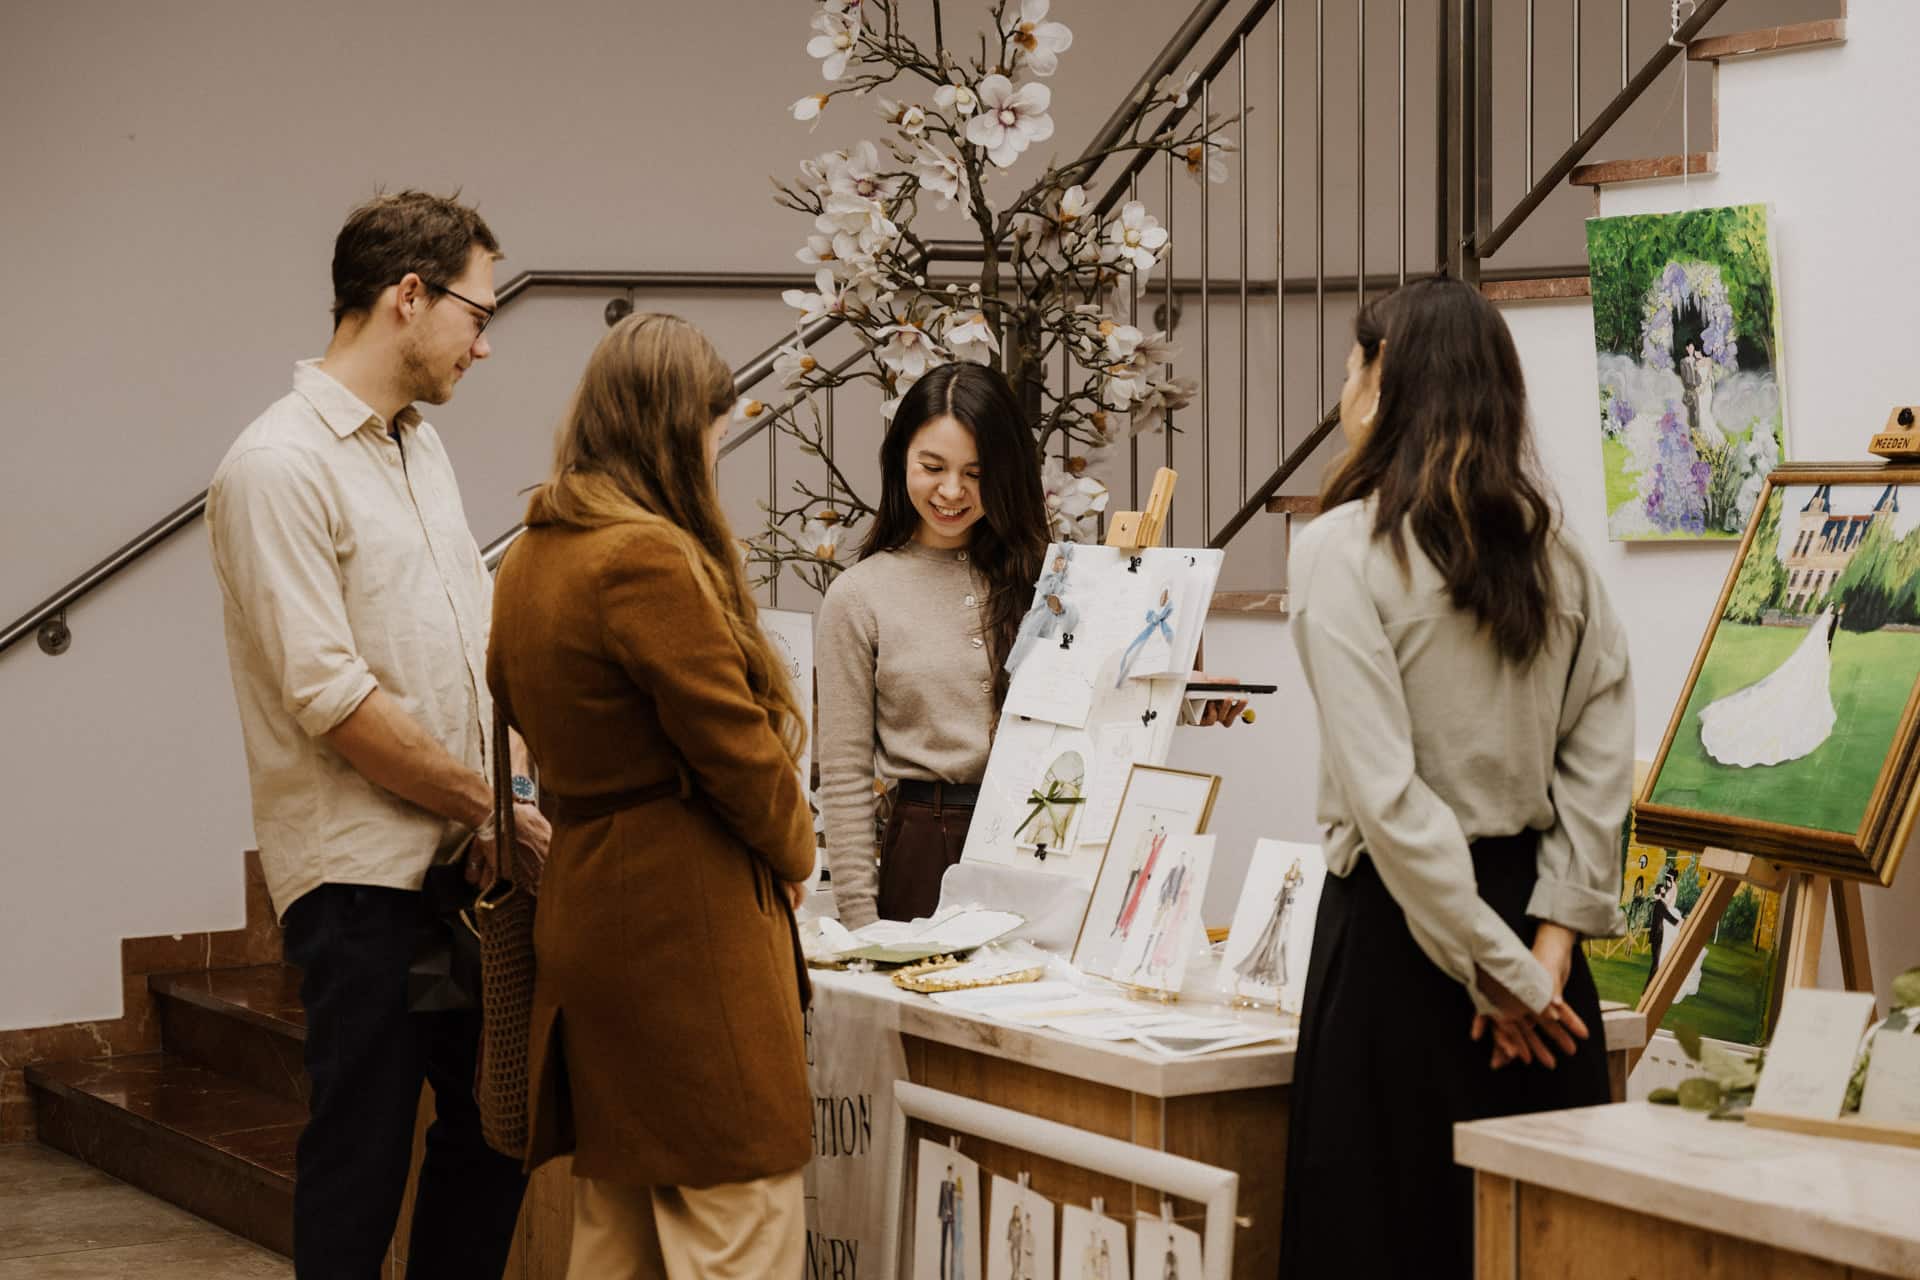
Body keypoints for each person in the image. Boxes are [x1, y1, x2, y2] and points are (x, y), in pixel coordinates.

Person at [207, 189, 543, 1278]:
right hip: (361, 885)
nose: (483, 343)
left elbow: (472, 642)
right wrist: (486, 802)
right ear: (410, 295)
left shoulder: (418, 448)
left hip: (465, 860)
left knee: (497, 1135)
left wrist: (507, 792)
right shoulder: (274, 466)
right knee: (357, 1164)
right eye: (477, 315)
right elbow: (335, 700)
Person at [1279, 278, 1634, 1279]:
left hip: (1403, 950)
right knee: (1533, 1248)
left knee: (1384, 1242)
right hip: (1537, 949)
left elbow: (1390, 805)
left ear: (1386, 383)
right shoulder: (1560, 556)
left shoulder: (1340, 550)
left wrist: (1510, 977)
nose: (1346, 384)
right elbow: (1599, 776)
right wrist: (1547, 952)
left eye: (1355, 364)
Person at [487, 313, 814, 1278]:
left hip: (590, 913)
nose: (718, 448)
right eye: (714, 426)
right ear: (675, 428)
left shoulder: (531, 555)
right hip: (686, 931)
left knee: (617, 1234)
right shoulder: (644, 557)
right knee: (739, 1224)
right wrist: (798, 854)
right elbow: (737, 751)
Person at [816, 363, 1049, 926]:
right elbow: (844, 773)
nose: (951, 491)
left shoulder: (1050, 581)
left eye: (976, 472)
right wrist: (858, 919)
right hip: (926, 848)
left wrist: (1187, 701)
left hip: (1042, 841)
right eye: (932, 466)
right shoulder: (857, 596)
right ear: (901, 461)